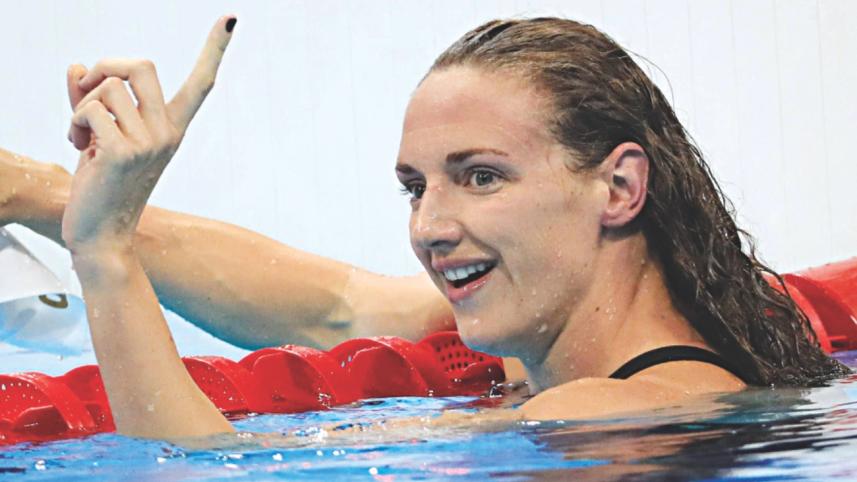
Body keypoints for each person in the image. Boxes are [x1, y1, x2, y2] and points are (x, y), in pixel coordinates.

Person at [1, 15, 848, 441]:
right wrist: (40, 193)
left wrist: (103, 251)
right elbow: (335, 307)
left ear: (619, 186)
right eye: (415, 187)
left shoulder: (608, 423)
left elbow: (201, 469)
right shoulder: (545, 357)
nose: (430, 225)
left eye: (481, 177)